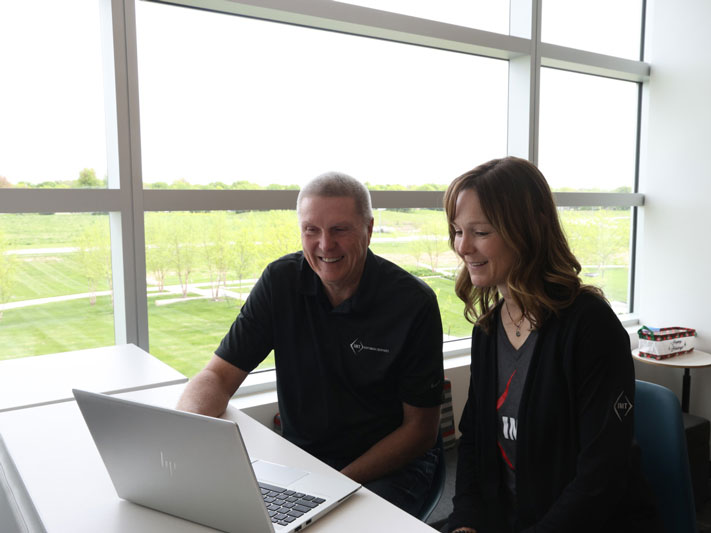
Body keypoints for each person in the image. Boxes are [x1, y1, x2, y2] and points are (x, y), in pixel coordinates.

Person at [176, 171, 444, 516]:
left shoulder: (412, 303)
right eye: (311, 230)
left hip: (389, 468)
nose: (324, 245)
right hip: (304, 460)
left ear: (369, 229)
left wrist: (334, 486)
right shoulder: (280, 282)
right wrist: (184, 434)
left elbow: (420, 432)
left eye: (340, 230)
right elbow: (217, 376)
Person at [443, 157, 659, 532]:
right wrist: (465, 521)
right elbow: (475, 442)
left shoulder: (591, 327)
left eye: (480, 232)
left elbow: (601, 476)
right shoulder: (488, 330)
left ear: (527, 230)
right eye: (458, 231)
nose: (462, 247)